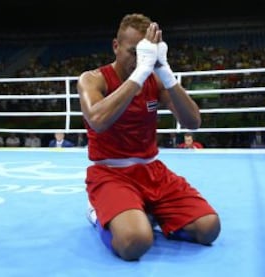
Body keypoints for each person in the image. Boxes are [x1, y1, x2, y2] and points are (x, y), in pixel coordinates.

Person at [77, 13, 220, 261]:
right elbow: (98, 121)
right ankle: (101, 215)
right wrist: (140, 73)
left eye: (146, 55)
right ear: (116, 46)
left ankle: (146, 213)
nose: (139, 60)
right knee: (136, 242)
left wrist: (164, 70)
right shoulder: (92, 80)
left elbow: (193, 122)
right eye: (133, 52)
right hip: (111, 174)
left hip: (154, 173)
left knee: (209, 228)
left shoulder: (156, 81)